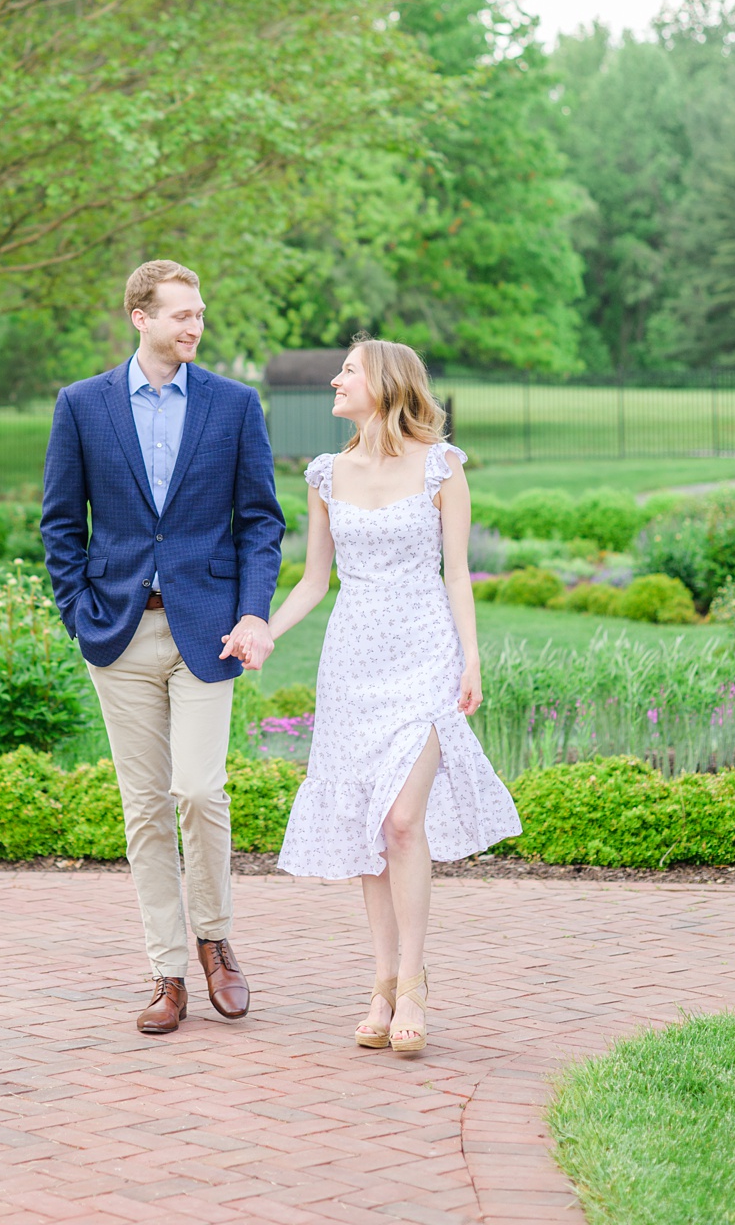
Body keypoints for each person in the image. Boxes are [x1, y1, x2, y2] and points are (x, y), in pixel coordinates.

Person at [230, 339, 519, 1058]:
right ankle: (381, 984)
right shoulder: (326, 474)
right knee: (368, 827)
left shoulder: (442, 468)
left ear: (386, 383)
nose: (335, 380)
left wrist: (471, 657)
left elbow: (457, 574)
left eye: (348, 371)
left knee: (400, 818)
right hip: (353, 663)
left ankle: (415, 983)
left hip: (423, 657)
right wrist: (264, 629)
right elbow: (312, 580)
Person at [40, 259, 284, 1035]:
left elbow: (261, 523)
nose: (195, 326)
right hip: (116, 632)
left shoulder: (234, 405)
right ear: (140, 317)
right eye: (181, 314)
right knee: (145, 810)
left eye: (200, 314)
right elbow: (58, 524)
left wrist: (252, 613)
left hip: (208, 631)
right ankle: (167, 972)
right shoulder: (81, 406)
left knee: (200, 791)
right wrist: (79, 614)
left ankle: (216, 940)